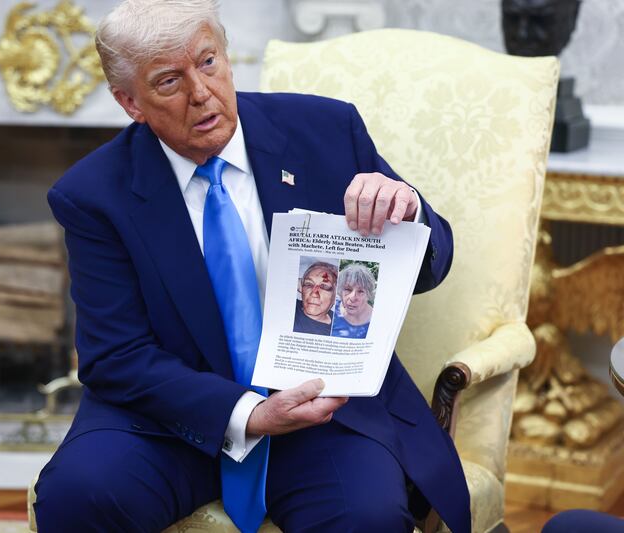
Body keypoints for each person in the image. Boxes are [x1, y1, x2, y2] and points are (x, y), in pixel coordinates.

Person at [34, 1, 470, 532]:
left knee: (368, 518)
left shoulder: (325, 130)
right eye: (170, 81)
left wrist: (407, 210)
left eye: (209, 62)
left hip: (322, 411)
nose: (201, 93)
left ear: (227, 56)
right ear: (130, 102)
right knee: (76, 496)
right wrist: (246, 414)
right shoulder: (93, 195)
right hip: (168, 420)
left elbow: (432, 261)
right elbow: (116, 356)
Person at [331, 263, 376, 339]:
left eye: (360, 291)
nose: (352, 298)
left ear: (368, 295)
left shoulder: (377, 320)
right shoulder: (331, 307)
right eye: (348, 289)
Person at [293, 261, 337, 336]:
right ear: (301, 288)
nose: (314, 293)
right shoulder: (291, 308)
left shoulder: (340, 325)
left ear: (335, 295)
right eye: (308, 284)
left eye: (324, 286)